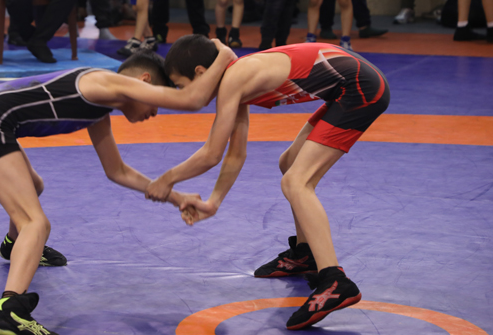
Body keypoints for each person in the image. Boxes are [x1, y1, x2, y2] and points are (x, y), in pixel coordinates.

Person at [0, 49, 235, 335]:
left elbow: (117, 170)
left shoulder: (99, 106)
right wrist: (223, 55)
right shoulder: (105, 82)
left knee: (34, 187)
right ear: (144, 81)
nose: (155, 112)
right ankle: (10, 314)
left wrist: (177, 197)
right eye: (156, 100)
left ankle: (14, 245)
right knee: (36, 224)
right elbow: (192, 99)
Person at [147, 34, 390, 330]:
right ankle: (305, 254)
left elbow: (211, 154)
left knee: (295, 182)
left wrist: (166, 180)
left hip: (360, 88)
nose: (185, 96)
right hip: (349, 87)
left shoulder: (234, 78)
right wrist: (214, 202)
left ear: (200, 73)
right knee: (289, 164)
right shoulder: (234, 77)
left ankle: (334, 280)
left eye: (181, 86)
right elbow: (235, 153)